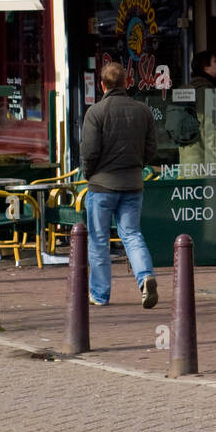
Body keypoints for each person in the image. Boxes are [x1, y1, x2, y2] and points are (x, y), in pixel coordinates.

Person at [81, 61, 159, 308]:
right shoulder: (142, 111)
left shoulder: (96, 112)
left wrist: (89, 174)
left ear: (102, 85)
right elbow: (151, 150)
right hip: (133, 184)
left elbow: (89, 152)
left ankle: (100, 294)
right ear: (126, 83)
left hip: (102, 186)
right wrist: (138, 165)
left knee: (99, 240)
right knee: (132, 234)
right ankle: (145, 276)